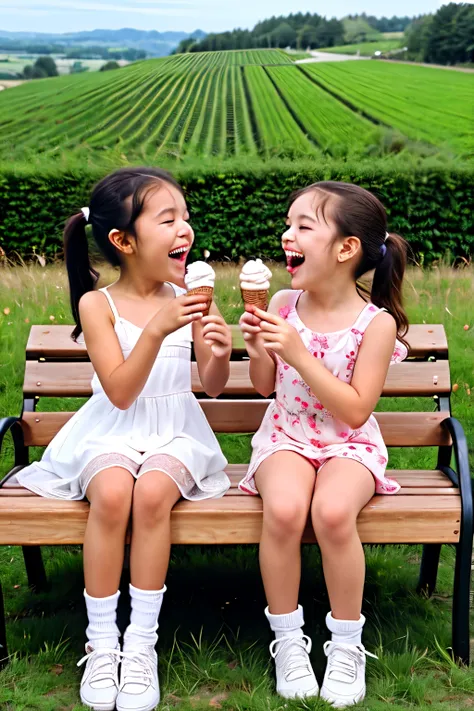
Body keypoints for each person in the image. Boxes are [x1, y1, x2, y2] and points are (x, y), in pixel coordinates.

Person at [17, 167, 232, 711]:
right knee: (113, 493)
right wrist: (159, 328)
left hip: (175, 430)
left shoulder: (193, 294)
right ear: (124, 241)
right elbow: (118, 391)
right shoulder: (98, 306)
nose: (184, 228)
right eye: (167, 219)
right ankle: (102, 640)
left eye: (185, 216)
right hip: (115, 426)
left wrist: (220, 351)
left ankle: (140, 643)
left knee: (154, 493)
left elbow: (210, 384)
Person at [239, 181, 408, 708]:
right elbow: (266, 386)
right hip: (286, 434)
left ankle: (346, 645)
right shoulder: (286, 302)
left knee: (333, 513)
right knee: (286, 509)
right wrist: (257, 347)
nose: (288, 236)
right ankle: (288, 640)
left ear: (346, 248)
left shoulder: (375, 324)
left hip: (349, 443)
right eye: (288, 225)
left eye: (303, 226)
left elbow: (356, 410)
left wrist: (297, 352)